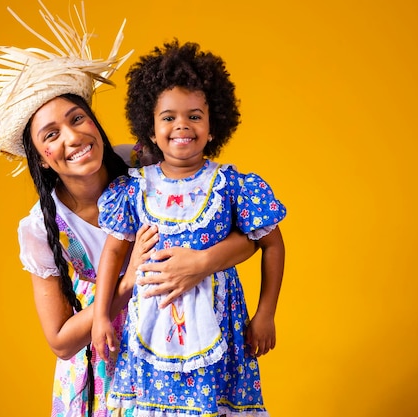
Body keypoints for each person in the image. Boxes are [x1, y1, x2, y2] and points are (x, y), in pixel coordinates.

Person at [0, 4, 259, 417]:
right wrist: (127, 283)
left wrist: (200, 263)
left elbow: (251, 235)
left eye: (78, 118)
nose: (73, 137)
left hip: (181, 343)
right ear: (40, 156)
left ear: (94, 120)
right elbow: (59, 340)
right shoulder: (43, 227)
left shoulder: (145, 166)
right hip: (105, 367)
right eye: (51, 134)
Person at [91, 40, 287, 416]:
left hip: (220, 329)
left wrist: (266, 313)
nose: (182, 125)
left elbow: (272, 244)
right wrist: (101, 315)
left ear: (214, 126)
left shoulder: (233, 186)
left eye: (195, 116)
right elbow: (113, 252)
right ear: (150, 127)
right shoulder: (133, 188)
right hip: (150, 327)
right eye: (168, 117)